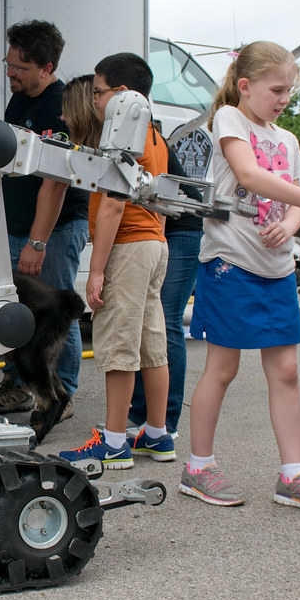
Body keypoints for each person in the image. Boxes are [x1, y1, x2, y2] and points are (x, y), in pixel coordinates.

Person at [179, 41, 300, 515]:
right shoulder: (229, 120)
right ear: (245, 85)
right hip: (230, 262)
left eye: (289, 91)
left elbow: (292, 198)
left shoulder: (289, 140)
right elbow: (250, 176)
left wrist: (294, 223)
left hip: (276, 269)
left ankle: (293, 475)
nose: (284, 98)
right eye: (277, 89)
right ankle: (198, 467)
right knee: (223, 367)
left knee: (286, 371)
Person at [57, 55, 174, 468]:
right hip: (154, 244)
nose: (95, 101)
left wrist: (97, 270)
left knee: (117, 346)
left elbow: (112, 204)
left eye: (98, 92)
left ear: (122, 94)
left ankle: (112, 442)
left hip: (128, 246)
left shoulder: (123, 131)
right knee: (151, 346)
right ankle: (156, 435)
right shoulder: (155, 135)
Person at [0, 20, 87, 422]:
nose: (11, 74)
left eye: (19, 68)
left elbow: (55, 183)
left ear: (46, 67)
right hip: (17, 225)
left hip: (55, 229)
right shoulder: (19, 99)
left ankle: (62, 392)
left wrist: (36, 243)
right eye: (8, 64)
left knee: (56, 310)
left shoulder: (62, 108)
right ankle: (19, 385)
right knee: (14, 309)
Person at [130, 146, 203, 438]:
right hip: (155, 225)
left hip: (180, 226)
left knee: (165, 319)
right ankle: (140, 414)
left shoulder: (145, 139)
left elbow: (159, 196)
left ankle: (165, 423)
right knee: (144, 320)